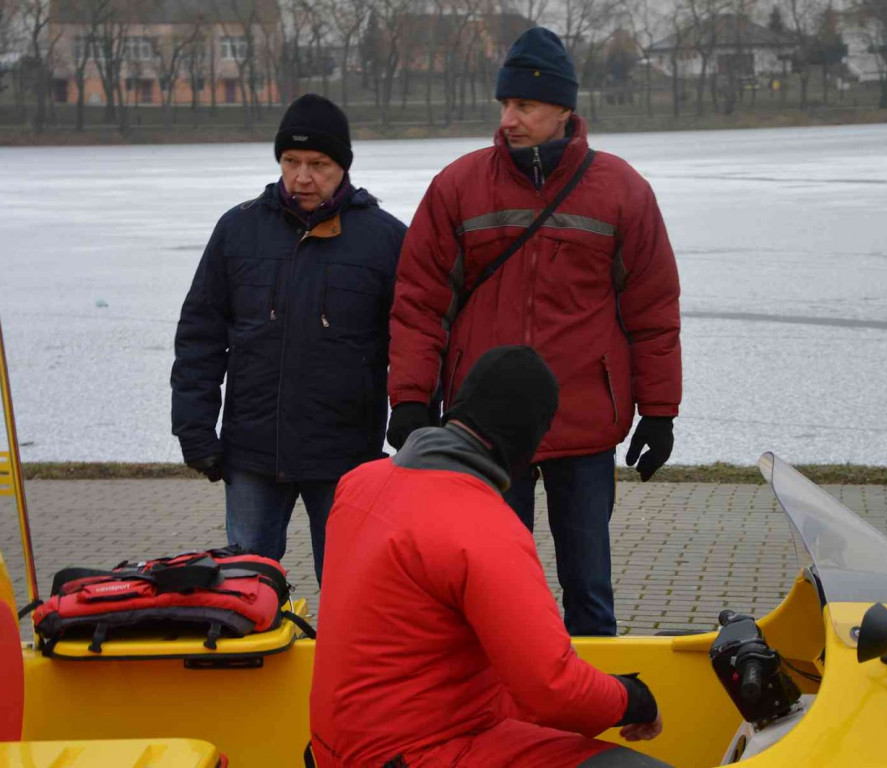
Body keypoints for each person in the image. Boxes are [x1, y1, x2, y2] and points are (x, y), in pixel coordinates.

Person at [385, 28, 682, 636]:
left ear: (564, 109)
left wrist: (659, 410)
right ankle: (494, 712)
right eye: (504, 105)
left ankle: (594, 709)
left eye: (524, 105)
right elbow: (419, 303)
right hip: (486, 428)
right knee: (490, 590)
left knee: (589, 593)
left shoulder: (623, 190)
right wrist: (411, 399)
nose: (509, 119)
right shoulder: (458, 186)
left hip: (584, 420)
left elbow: (652, 310)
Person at [310, 346, 668, 768]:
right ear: (529, 435)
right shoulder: (483, 526)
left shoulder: (358, 483)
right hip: (419, 751)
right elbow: (553, 689)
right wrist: (635, 699)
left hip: (338, 746)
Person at [171, 93, 406, 584]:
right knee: (243, 592)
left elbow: (412, 342)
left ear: (342, 166)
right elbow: (200, 335)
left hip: (345, 458)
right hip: (253, 452)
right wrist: (194, 428)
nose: (303, 176)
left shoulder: (385, 239)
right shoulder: (237, 230)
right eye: (291, 161)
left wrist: (414, 426)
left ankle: (341, 665)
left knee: (352, 592)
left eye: (318, 164)